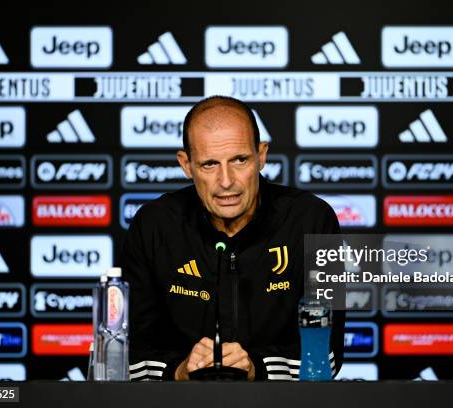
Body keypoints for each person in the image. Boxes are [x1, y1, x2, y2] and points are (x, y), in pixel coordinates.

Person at [121, 95, 343, 381]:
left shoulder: (313, 220)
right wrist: (178, 370)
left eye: (240, 160)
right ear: (186, 164)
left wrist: (256, 368)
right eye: (209, 165)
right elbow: (123, 355)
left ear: (261, 155)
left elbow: (328, 354)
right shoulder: (153, 225)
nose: (226, 182)